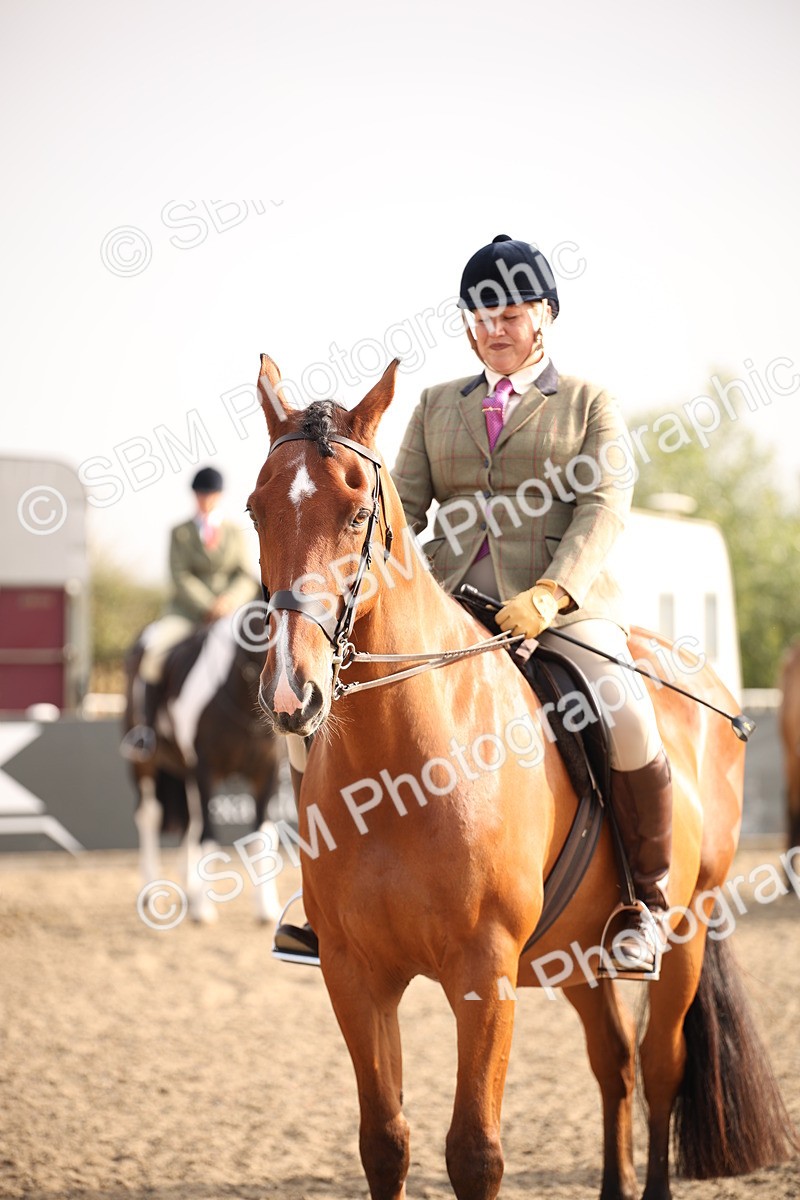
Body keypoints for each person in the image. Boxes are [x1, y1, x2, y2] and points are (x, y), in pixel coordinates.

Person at [275, 235, 672, 976]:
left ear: (545, 318)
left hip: (562, 609)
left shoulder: (589, 404)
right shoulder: (434, 406)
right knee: (310, 720)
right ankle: (319, 899)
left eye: (511, 312)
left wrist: (552, 593)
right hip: (453, 607)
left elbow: (603, 509)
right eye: (481, 313)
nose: (495, 326)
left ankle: (642, 904)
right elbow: (402, 513)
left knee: (623, 707)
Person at [120, 466, 260, 761]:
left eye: (209, 494)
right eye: (201, 494)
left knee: (261, 651)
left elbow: (246, 576)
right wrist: (208, 604)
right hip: (185, 613)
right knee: (154, 652)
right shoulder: (180, 533)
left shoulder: (235, 532)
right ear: (195, 496)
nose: (205, 499)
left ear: (218, 496)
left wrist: (227, 602)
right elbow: (179, 575)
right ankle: (146, 729)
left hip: (230, 613)